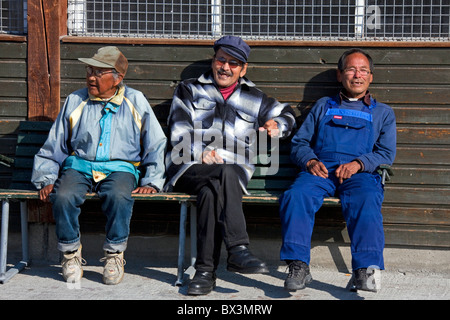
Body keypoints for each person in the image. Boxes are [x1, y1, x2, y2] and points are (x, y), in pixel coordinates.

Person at [165, 36, 295, 295]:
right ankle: (237, 249)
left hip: (229, 173)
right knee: (220, 175)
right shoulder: (189, 89)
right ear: (213, 61)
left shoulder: (256, 98)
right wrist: (200, 154)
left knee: (212, 191)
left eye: (233, 63)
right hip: (189, 166)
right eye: (221, 60)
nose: (225, 67)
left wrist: (277, 125)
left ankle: (204, 273)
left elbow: (288, 114)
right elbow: (179, 131)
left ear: (243, 69)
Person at [31, 46, 167, 285]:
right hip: (80, 165)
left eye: (99, 72)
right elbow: (55, 145)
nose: (91, 77)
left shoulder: (135, 100)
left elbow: (155, 143)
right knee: (63, 196)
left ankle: (114, 253)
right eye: (90, 70)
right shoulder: (76, 100)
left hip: (120, 168)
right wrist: (47, 179)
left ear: (118, 78)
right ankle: (70, 253)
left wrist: (152, 182)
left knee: (118, 195)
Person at [279, 48, 396, 292]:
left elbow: (385, 153)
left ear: (370, 77)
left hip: (358, 174)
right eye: (351, 69)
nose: (357, 75)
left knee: (367, 198)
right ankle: (298, 265)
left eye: (363, 70)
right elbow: (300, 143)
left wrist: (359, 164)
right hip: (321, 170)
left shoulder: (382, 113)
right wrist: (310, 161)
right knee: (296, 195)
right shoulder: (323, 106)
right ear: (340, 75)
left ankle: (364, 269)